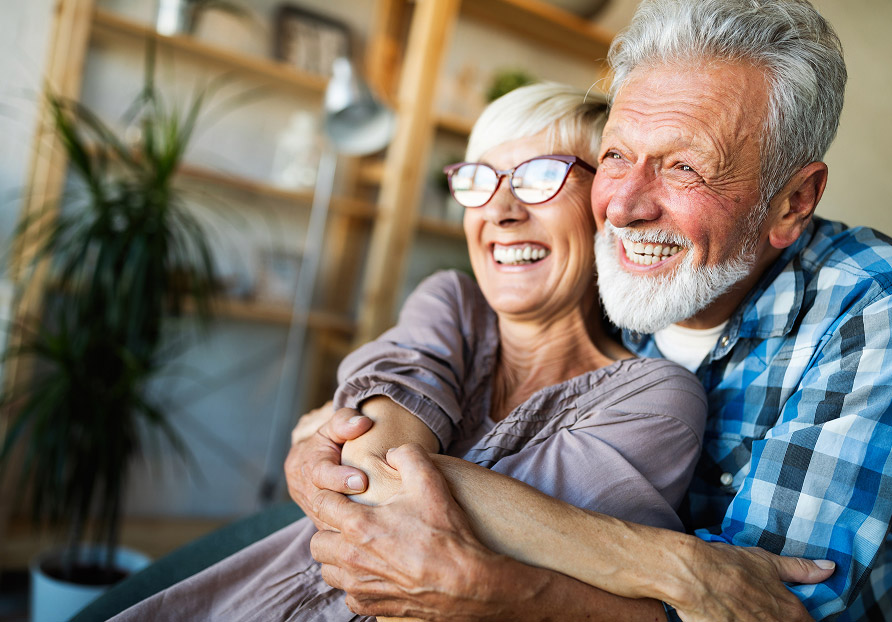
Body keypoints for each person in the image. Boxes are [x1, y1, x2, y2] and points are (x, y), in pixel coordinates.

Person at [304, 1, 892, 621]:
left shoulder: (870, 309)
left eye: (685, 167)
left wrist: (504, 592)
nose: (624, 207)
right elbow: (374, 426)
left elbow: (770, 610)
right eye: (616, 155)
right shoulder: (595, 283)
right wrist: (316, 452)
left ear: (793, 202)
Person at [108, 83, 708, 621]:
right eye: (481, 179)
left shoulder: (656, 398)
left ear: (605, 206)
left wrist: (331, 434)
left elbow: (436, 536)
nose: (500, 211)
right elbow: (364, 476)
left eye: (539, 176)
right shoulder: (450, 302)